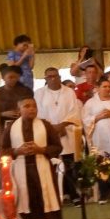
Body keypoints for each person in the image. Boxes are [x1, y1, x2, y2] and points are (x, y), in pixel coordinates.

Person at [2, 98, 63, 219]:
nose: (32, 109)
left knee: (47, 203)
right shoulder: (11, 127)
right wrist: (17, 151)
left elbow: (58, 147)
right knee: (26, 204)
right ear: (19, 110)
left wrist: (41, 149)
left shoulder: (45, 125)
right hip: (21, 172)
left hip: (43, 169)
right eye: (27, 106)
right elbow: (3, 150)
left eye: (34, 106)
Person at [34, 68, 82, 204]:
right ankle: (56, 195)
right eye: (49, 77)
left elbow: (74, 111)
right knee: (53, 164)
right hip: (48, 133)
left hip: (66, 130)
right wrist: (52, 129)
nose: (53, 79)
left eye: (55, 76)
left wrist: (62, 125)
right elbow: (38, 114)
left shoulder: (69, 92)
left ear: (60, 77)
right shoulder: (39, 93)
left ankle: (74, 195)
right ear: (45, 79)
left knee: (69, 164)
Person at [0, 65, 34, 139]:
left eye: (16, 77)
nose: (14, 79)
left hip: (23, 125)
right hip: (3, 127)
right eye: (10, 77)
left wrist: (22, 111)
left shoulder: (26, 91)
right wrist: (2, 113)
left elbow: (32, 106)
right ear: (3, 78)